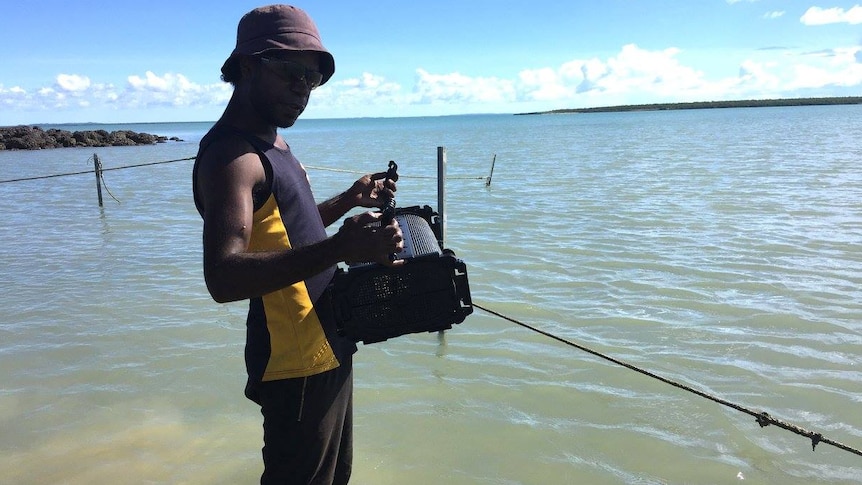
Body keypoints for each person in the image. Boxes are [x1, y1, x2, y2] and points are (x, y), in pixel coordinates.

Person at [191, 5, 403, 484]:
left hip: (327, 339)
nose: (302, 90)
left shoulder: (274, 144)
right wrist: (340, 249)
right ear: (247, 65)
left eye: (313, 80)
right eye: (290, 73)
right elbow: (223, 277)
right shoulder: (232, 156)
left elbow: (291, 227)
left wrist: (348, 201)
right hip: (295, 359)